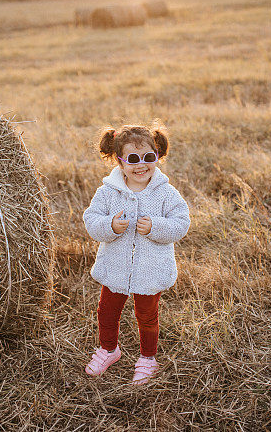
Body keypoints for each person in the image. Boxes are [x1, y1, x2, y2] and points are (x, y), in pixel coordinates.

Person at [82, 122, 190, 384]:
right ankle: (109, 350)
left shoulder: (165, 192)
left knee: (147, 315)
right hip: (116, 266)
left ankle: (147, 357)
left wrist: (157, 226)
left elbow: (182, 223)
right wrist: (110, 225)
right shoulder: (108, 192)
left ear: (157, 156)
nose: (141, 165)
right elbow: (91, 219)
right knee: (107, 311)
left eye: (148, 157)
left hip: (150, 269)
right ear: (119, 162)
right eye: (133, 159)